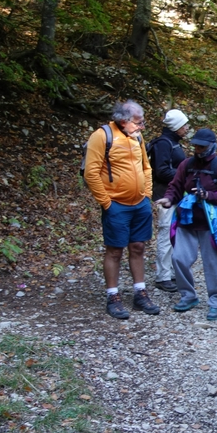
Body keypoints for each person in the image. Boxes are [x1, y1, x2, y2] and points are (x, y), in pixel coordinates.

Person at [83, 99, 161, 319]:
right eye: (138, 122)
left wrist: (147, 195)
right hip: (116, 205)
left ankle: (139, 292)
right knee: (115, 250)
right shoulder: (102, 136)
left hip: (140, 204)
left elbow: (146, 167)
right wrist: (107, 203)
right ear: (123, 120)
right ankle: (113, 296)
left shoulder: (137, 137)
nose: (142, 126)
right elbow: (91, 173)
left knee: (138, 247)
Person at [155, 128, 217, 321]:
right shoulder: (187, 164)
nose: (198, 149)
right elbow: (175, 186)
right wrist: (168, 199)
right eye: (195, 146)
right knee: (179, 258)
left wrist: (208, 195)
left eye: (201, 146)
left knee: (212, 264)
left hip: (211, 223)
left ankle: (216, 301)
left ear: (211, 146)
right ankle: (188, 296)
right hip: (187, 220)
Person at [149, 109, 189, 293]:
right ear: (176, 127)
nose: (187, 128)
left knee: (175, 235)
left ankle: (171, 272)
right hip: (165, 196)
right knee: (166, 235)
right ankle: (162, 276)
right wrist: (185, 174)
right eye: (184, 125)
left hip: (175, 196)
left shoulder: (172, 143)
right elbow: (161, 171)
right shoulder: (164, 144)